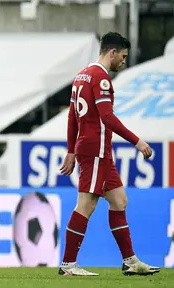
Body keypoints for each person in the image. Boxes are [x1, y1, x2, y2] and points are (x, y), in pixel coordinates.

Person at [58, 32, 160, 276]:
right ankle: (68, 265)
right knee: (86, 204)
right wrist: (136, 141)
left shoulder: (81, 75)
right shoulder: (101, 78)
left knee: (119, 201)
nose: (123, 62)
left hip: (96, 150)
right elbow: (107, 117)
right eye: (123, 56)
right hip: (95, 151)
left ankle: (130, 261)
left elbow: (72, 117)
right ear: (112, 52)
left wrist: (71, 150)